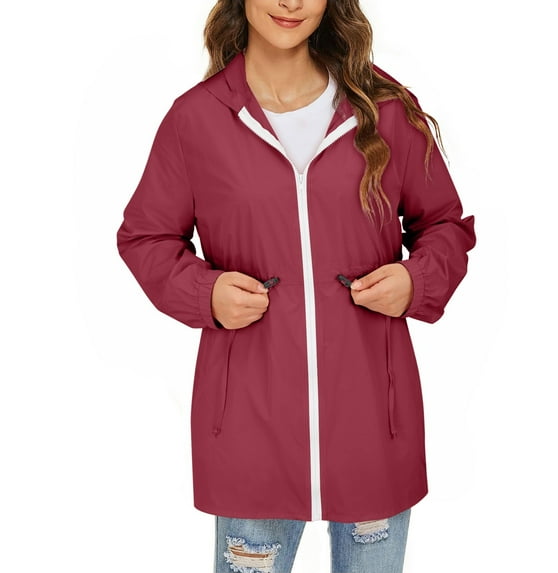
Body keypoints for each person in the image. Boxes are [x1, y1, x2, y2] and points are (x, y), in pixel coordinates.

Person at [116, 0, 476, 571]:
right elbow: (146, 237)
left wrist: (416, 280)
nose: (291, 3)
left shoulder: (384, 107)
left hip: (371, 427)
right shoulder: (197, 119)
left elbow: (444, 225)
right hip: (251, 433)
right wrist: (205, 293)